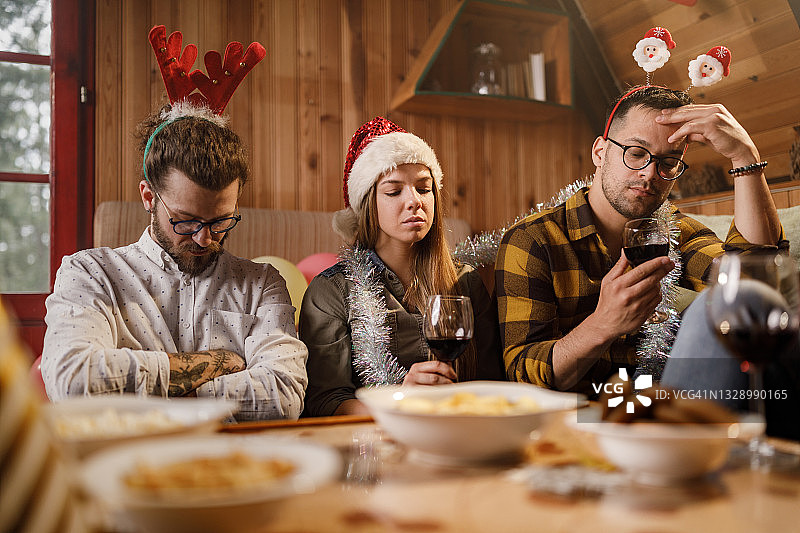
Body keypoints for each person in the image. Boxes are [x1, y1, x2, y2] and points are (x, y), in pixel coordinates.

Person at [495, 85, 787, 396]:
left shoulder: (674, 230)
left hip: (665, 405)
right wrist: (603, 324)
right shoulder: (534, 239)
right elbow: (522, 374)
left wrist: (744, 156)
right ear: (600, 152)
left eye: (668, 162)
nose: (650, 174)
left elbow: (754, 285)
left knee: (725, 298)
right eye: (636, 153)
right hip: (579, 420)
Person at [41, 105, 308, 420]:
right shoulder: (89, 273)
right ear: (149, 197)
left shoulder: (262, 283)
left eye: (221, 221)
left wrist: (138, 395)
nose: (204, 239)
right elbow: (73, 383)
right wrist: (218, 362)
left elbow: (284, 398)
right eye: (185, 221)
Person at [300, 117, 504, 417]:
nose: (414, 201)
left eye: (424, 188)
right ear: (369, 203)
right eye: (394, 191)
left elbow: (493, 383)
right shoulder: (330, 291)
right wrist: (399, 402)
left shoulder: (465, 282)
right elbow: (323, 402)